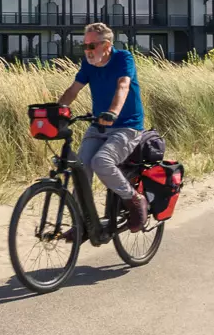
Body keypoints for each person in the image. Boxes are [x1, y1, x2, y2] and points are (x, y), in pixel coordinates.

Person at [55, 22, 148, 230]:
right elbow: (73, 90)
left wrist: (113, 112)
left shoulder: (123, 58)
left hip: (127, 127)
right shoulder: (88, 64)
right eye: (84, 45)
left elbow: (123, 85)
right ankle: (81, 223)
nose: (87, 50)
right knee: (80, 168)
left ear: (106, 46)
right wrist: (56, 111)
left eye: (91, 46)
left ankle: (134, 199)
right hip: (98, 126)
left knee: (101, 162)